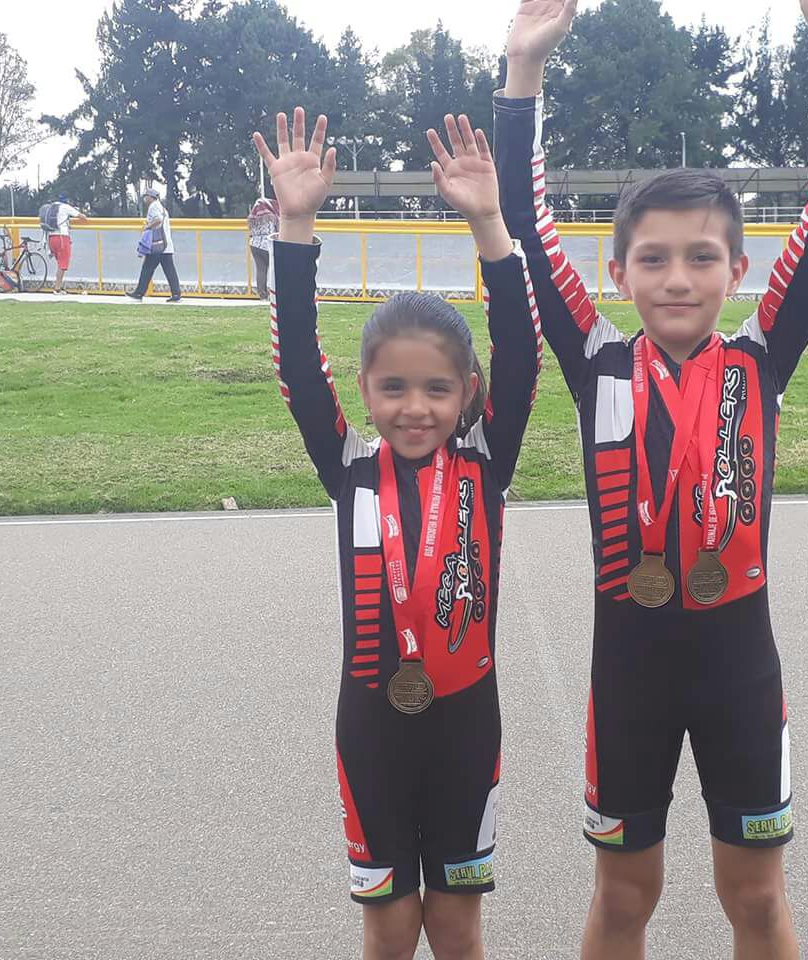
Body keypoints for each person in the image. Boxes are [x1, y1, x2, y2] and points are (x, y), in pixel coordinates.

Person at [494, 1, 808, 958]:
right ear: (617, 272)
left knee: (757, 899)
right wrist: (524, 73)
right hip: (628, 676)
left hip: (742, 672)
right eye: (652, 259)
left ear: (738, 269)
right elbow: (528, 230)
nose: (676, 278)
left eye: (702, 258)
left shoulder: (759, 357)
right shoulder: (596, 361)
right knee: (625, 898)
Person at [253, 105, 540, 960]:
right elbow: (297, 363)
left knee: (455, 927)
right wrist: (296, 224)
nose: (416, 408)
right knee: (387, 928)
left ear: (469, 393)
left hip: (467, 728)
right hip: (372, 731)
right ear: (366, 391)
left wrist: (489, 224)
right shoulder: (349, 465)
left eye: (437, 390)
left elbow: (522, 353)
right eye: (393, 389)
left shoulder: (484, 461)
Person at [126, 187, 182, 302]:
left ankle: (139, 292)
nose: (144, 199)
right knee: (169, 270)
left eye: (146, 196)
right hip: (165, 245)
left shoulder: (153, 207)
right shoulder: (161, 207)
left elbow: (158, 220)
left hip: (157, 245)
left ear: (150, 197)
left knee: (147, 268)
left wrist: (148, 226)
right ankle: (176, 293)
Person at [41, 194, 88, 294]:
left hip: (51, 238)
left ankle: (58, 286)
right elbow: (82, 217)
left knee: (60, 264)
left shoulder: (50, 207)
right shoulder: (65, 207)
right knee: (63, 264)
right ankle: (57, 288)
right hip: (62, 238)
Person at [248, 194, 280, 299]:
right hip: (268, 245)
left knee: (261, 270)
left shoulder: (253, 217)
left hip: (254, 245)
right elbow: (276, 231)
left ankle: (262, 295)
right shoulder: (271, 216)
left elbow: (250, 232)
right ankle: (275, 293)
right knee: (275, 270)